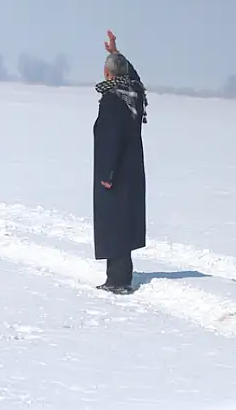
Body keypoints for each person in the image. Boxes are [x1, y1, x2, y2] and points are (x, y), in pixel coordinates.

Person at [92, 30, 148, 295]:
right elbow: (132, 75)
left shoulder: (113, 99)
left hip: (116, 170)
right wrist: (115, 53)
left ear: (107, 75)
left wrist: (107, 171)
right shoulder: (133, 92)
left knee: (113, 223)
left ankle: (118, 280)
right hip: (132, 168)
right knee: (123, 222)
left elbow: (110, 137)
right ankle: (120, 275)